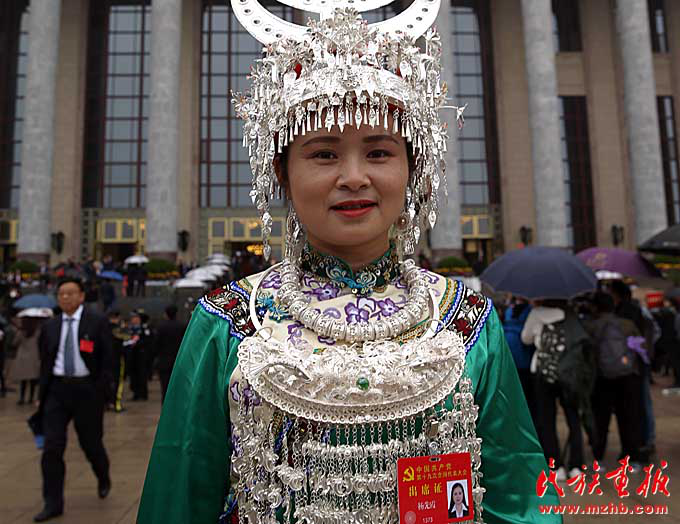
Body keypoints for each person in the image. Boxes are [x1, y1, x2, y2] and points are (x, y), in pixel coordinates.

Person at [138, 6, 560, 523]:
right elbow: (180, 496)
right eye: (324, 154)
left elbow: (518, 497)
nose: (354, 177)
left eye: (379, 153)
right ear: (282, 172)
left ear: (413, 170)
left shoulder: (467, 322)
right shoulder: (227, 322)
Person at [34, 278, 113, 522]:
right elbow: (45, 360)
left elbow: (109, 359)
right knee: (52, 448)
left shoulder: (96, 322)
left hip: (86, 391)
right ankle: (52, 503)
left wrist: (102, 392)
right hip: (57, 390)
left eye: (70, 293)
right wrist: (41, 394)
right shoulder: (50, 326)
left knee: (91, 443)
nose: (65, 298)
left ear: (81, 296)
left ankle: (103, 475)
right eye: (61, 294)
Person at [522, 300, 586, 481]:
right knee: (573, 419)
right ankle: (576, 466)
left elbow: (525, 338)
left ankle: (556, 467)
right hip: (568, 374)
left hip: (543, 373)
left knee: (547, 421)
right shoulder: (570, 314)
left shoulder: (536, 313)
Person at [586, 292, 646, 468]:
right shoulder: (627, 324)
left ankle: (598, 457)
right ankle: (631, 457)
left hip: (601, 379)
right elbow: (641, 349)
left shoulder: (591, 326)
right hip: (628, 377)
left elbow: (587, 354)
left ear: (595, 307)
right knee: (628, 417)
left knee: (600, 419)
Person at [503, 297, 536, 420]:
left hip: (512, 357)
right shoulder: (529, 311)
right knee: (524, 394)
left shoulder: (509, 311)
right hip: (522, 359)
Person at [11, 313, 49, 405]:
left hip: (22, 357)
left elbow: (14, 343)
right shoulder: (38, 332)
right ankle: (31, 398)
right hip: (34, 357)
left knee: (23, 380)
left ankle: (22, 398)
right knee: (33, 380)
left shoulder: (21, 332)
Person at [153, 304, 186, 403]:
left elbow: (156, 344)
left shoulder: (161, 327)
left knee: (165, 388)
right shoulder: (182, 326)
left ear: (166, 314)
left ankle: (165, 407)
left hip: (164, 361)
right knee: (178, 388)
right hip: (179, 361)